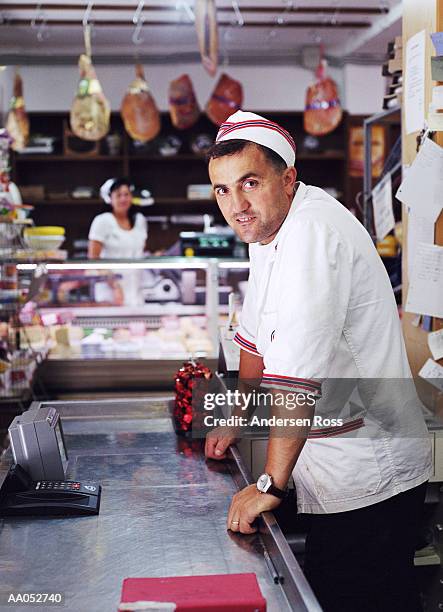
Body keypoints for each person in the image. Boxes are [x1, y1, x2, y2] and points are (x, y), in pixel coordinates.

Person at [204, 110, 432, 612]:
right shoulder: (269, 228)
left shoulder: (312, 235)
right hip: (333, 462)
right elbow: (255, 339)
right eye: (222, 189)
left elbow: (297, 379)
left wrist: (268, 485)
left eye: (249, 183)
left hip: (370, 476)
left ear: (287, 178)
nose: (236, 204)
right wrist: (236, 415)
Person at [88, 177, 148, 305]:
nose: (123, 199)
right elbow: (93, 259)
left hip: (136, 289)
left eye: (126, 194)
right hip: (110, 292)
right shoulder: (102, 221)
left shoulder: (140, 220)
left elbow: (139, 252)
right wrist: (115, 284)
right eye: (118, 195)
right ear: (110, 198)